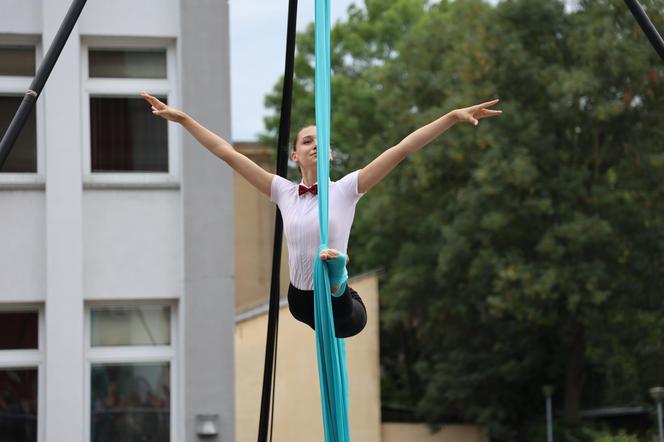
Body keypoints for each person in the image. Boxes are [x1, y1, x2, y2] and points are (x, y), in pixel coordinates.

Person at [141, 92, 501, 337]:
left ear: (329, 154)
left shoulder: (346, 189)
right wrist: (184, 119)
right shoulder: (283, 191)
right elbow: (228, 154)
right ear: (295, 155)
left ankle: (338, 275)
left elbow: (402, 149)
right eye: (307, 141)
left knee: (350, 318)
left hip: (340, 303)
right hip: (300, 300)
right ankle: (335, 274)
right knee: (321, 292)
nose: (315, 145)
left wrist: (452, 117)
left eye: (320, 141)